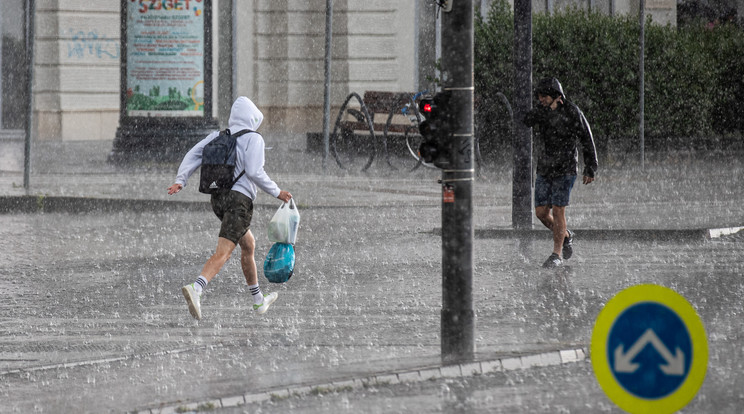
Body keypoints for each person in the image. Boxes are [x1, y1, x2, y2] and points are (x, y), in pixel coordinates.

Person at [167, 96, 292, 319]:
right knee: (224, 252)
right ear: (253, 118)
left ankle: (258, 300)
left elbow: (193, 154)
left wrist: (181, 179)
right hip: (238, 203)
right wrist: (277, 192)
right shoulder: (254, 138)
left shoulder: (217, 136)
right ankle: (197, 288)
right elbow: (254, 171)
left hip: (218, 199)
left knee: (248, 244)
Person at [523, 77, 598, 268]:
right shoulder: (543, 111)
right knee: (541, 213)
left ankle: (556, 254)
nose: (541, 99)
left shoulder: (572, 111)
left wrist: (590, 166)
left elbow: (586, 137)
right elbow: (526, 120)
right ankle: (566, 235)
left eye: (544, 96)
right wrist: (547, 110)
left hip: (565, 169)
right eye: (539, 97)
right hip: (545, 168)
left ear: (555, 95)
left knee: (558, 210)